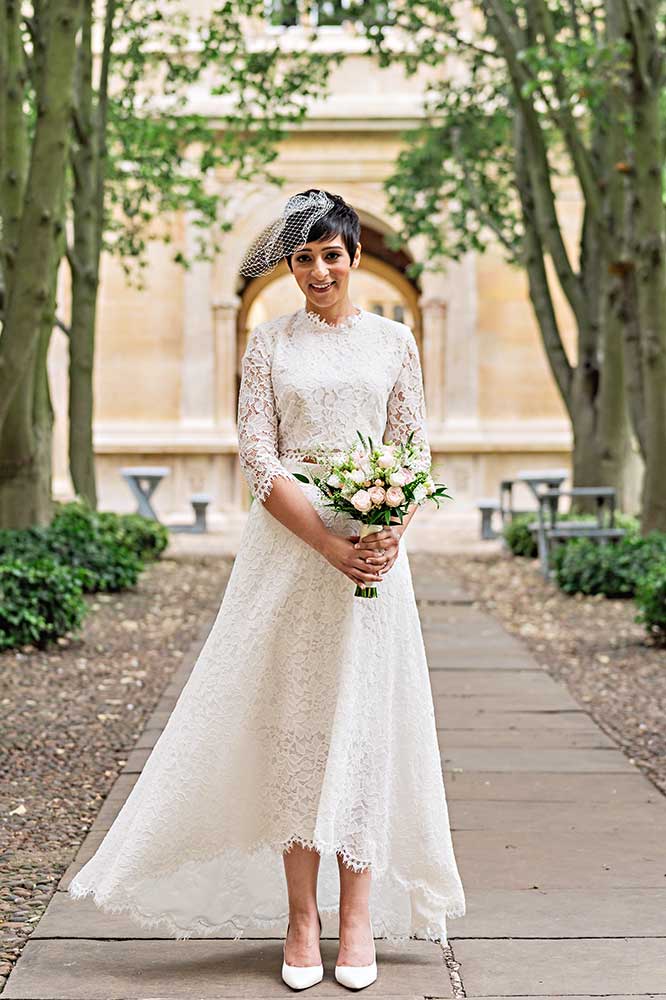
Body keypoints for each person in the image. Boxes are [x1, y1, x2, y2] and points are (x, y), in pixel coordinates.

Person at [67, 188, 466, 991]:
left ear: (356, 257)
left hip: (375, 562)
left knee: (363, 725)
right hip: (290, 554)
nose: (318, 271)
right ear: (291, 264)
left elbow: (413, 442)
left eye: (331, 254)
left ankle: (358, 917)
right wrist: (325, 541)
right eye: (303, 257)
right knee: (297, 728)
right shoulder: (268, 345)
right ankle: (301, 917)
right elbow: (259, 454)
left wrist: (388, 527)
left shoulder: (394, 342)